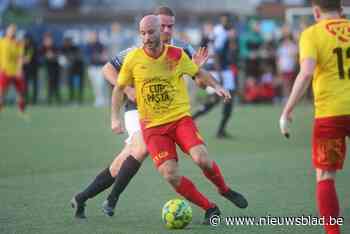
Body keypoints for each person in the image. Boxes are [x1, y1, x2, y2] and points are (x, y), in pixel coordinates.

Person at [71, 6, 210, 219]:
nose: (165, 29)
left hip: (166, 113)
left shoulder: (183, 49)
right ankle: (112, 200)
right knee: (142, 146)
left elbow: (199, 81)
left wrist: (201, 72)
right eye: (161, 25)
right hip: (137, 110)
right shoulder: (137, 50)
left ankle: (82, 197)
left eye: (169, 26)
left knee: (121, 162)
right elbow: (107, 68)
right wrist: (127, 89)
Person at [111, 15, 248, 224]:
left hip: (179, 119)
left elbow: (199, 72)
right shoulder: (132, 59)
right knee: (170, 175)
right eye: (143, 33)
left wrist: (217, 86)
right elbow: (118, 88)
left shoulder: (176, 54)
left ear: (160, 32)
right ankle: (210, 208)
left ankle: (224, 189)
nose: (147, 37)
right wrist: (115, 118)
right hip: (153, 128)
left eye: (151, 32)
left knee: (201, 158)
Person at [279, 1, 349, 233]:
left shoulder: (312, 33)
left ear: (316, 11)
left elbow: (306, 72)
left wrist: (288, 108)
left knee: (325, 175)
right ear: (341, 10)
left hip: (330, 113)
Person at [0, 24, 26, 113]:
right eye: (10, 30)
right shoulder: (2, 42)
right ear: (6, 31)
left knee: (21, 92)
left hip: (16, 71)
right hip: (5, 70)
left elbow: (20, 57)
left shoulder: (19, 43)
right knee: (2, 92)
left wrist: (19, 69)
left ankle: (22, 111)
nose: (12, 32)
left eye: (14, 31)